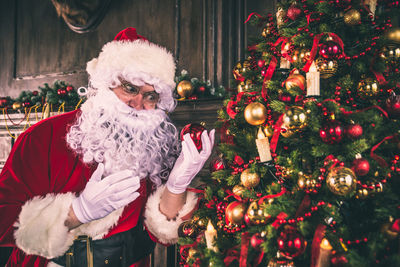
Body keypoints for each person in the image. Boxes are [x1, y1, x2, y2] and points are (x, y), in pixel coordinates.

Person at [0, 27, 215, 267]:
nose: (138, 104)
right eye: (130, 89)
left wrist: (177, 186)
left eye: (151, 96)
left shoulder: (153, 145)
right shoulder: (43, 136)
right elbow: (4, 221)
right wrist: (76, 213)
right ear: (105, 85)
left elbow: (160, 232)